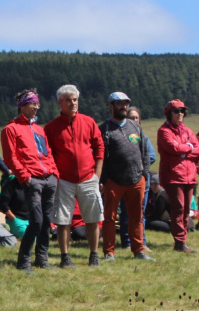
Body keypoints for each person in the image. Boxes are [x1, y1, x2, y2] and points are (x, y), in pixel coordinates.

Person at [44, 84, 104, 268]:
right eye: (68, 100)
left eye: (75, 99)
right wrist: (56, 176)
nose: (73, 103)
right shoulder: (51, 127)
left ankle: (94, 255)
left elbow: (99, 147)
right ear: (60, 102)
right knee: (63, 220)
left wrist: (97, 175)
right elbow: (48, 154)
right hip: (64, 181)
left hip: (88, 178)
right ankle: (65, 257)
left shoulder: (88, 122)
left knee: (93, 218)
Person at [1, 89, 59, 272]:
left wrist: (54, 174)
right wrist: (25, 177)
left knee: (47, 220)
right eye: (33, 104)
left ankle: (42, 259)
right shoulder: (11, 129)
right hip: (32, 180)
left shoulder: (39, 130)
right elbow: (10, 157)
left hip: (48, 178)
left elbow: (47, 153)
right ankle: (23, 261)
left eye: (37, 104)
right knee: (36, 221)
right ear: (22, 106)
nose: (36, 107)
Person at [99, 92, 153, 262]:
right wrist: (105, 178)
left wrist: (144, 174)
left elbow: (144, 151)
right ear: (111, 106)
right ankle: (109, 252)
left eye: (126, 104)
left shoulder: (135, 126)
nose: (124, 107)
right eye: (120, 103)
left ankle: (138, 250)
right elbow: (100, 155)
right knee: (110, 218)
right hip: (113, 181)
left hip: (137, 180)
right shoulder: (104, 129)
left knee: (137, 217)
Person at [157, 99, 199, 253]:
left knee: (187, 208)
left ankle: (183, 240)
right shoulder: (164, 131)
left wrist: (183, 152)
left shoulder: (187, 131)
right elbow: (172, 147)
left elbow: (197, 149)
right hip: (173, 176)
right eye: (176, 111)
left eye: (182, 111)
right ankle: (180, 242)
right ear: (169, 113)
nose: (180, 114)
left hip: (189, 175)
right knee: (178, 208)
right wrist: (187, 148)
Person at [119, 106, 157, 248]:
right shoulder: (121, 135)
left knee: (140, 214)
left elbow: (152, 156)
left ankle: (141, 241)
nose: (134, 120)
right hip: (125, 180)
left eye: (136, 117)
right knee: (126, 213)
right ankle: (127, 242)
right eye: (131, 118)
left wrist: (137, 165)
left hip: (142, 180)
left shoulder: (143, 137)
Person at [0, 174, 30, 239]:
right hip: (16, 220)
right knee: (30, 238)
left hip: (31, 220)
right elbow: (3, 205)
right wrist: (14, 219)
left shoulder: (31, 184)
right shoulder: (10, 185)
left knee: (40, 238)